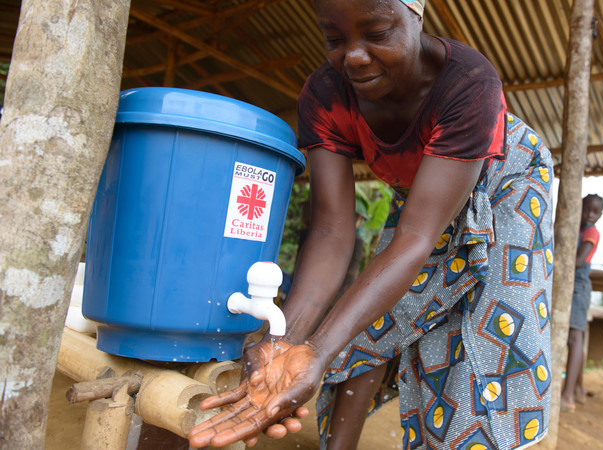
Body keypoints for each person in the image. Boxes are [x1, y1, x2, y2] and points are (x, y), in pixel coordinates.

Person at [188, 0, 554, 448]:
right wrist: (286, 341)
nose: (355, 57)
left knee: (483, 338)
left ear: (416, 18)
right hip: (422, 191)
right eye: (335, 39)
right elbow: (330, 231)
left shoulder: (469, 84)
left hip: (505, 177)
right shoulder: (326, 95)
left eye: (377, 33)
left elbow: (417, 237)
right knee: (369, 321)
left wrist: (318, 350)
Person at [560, 194, 603, 412]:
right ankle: (578, 389)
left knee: (575, 339)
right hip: (571, 286)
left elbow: (577, 261)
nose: (590, 215)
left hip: (579, 288)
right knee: (573, 339)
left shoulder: (591, 233)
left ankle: (567, 396)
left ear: (600, 215)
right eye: (587, 209)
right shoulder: (576, 230)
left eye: (595, 212)